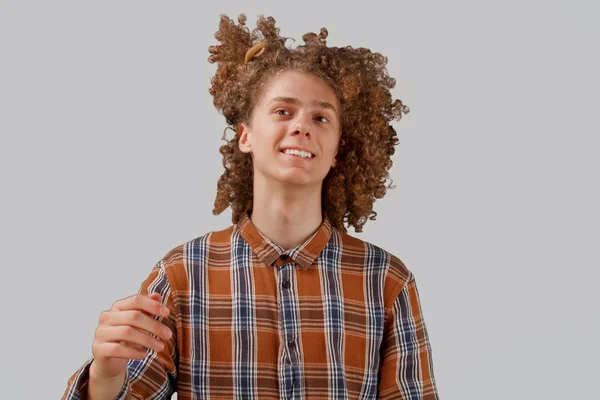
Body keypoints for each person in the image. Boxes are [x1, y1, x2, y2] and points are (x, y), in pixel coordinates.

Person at [62, 13, 439, 400]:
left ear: (337, 152)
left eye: (321, 117)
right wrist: (105, 377)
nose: (301, 126)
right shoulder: (182, 276)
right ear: (246, 136)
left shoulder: (387, 281)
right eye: (282, 111)